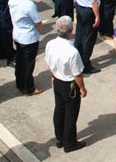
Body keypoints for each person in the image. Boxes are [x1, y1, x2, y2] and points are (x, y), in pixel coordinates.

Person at [45, 16, 87, 153]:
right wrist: (82, 88)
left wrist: (53, 77)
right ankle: (70, 143)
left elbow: (49, 64)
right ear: (70, 31)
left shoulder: (50, 44)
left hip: (57, 80)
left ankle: (60, 138)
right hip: (69, 85)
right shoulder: (72, 52)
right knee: (71, 115)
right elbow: (77, 75)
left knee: (59, 109)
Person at [9, 0, 43, 96]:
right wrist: (40, 29)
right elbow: (37, 22)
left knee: (20, 61)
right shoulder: (29, 4)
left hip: (18, 35)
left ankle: (19, 82)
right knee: (28, 64)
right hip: (29, 37)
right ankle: (29, 88)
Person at [73, 0, 101, 74]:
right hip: (89, 11)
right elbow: (94, 2)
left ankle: (78, 59)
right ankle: (85, 64)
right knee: (89, 38)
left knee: (79, 35)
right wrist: (97, 16)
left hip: (79, 7)